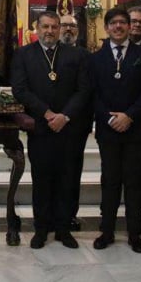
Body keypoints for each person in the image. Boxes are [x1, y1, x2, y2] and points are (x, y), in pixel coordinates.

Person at [11, 11, 91, 249]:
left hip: (70, 128)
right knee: (42, 179)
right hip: (41, 128)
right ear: (36, 29)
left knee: (68, 179)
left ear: (60, 29)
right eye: (45, 27)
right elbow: (20, 89)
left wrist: (64, 116)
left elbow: (84, 89)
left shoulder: (77, 55)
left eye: (54, 27)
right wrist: (47, 114)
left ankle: (64, 229)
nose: (50, 31)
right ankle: (41, 229)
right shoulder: (23, 54)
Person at [89, 8, 141, 253]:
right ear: (107, 27)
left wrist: (129, 116)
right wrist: (109, 118)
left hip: (136, 129)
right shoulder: (95, 58)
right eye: (113, 23)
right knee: (110, 181)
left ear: (129, 27)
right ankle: (106, 231)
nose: (118, 26)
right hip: (108, 130)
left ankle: (134, 233)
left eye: (122, 22)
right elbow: (92, 93)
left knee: (134, 182)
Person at [58, 12, 87, 231]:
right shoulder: (46, 53)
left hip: (76, 124)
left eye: (72, 26)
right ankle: (49, 216)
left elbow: (86, 89)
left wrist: (67, 115)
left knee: (72, 173)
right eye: (64, 25)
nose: (68, 29)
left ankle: (69, 216)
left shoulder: (85, 55)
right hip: (49, 123)